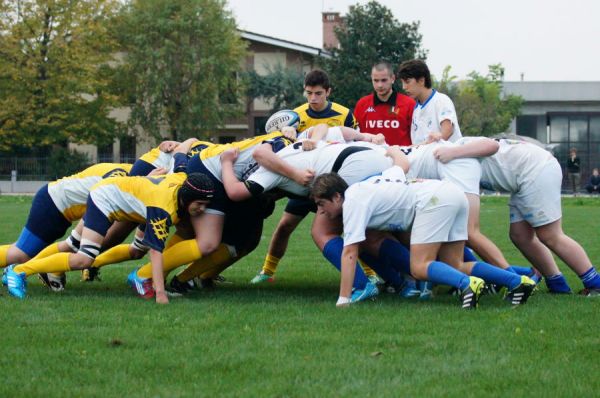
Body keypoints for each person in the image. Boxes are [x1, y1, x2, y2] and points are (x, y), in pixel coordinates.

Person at [310, 148, 535, 309]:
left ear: (337, 196)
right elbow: (401, 165)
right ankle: (517, 282)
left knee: (419, 267)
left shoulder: (353, 203)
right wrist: (392, 151)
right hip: (452, 194)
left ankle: (467, 285)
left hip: (434, 201)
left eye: (322, 204)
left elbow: (350, 253)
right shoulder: (370, 183)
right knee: (455, 264)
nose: (321, 211)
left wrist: (343, 299)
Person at [5, 169, 217, 303]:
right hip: (104, 199)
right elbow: (157, 252)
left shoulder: (181, 178)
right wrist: (160, 293)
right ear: (186, 198)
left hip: (128, 202)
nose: (202, 210)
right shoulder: (162, 210)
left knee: (136, 250)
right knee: (83, 257)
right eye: (199, 204)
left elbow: (180, 160)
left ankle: (134, 276)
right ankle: (19, 270)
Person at [434, 137, 600, 296]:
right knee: (520, 235)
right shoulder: (452, 156)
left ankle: (595, 284)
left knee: (550, 234)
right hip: (524, 176)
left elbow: (491, 144)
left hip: (535, 170)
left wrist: (453, 152)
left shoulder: (457, 148)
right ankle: (557, 283)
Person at [251, 69, 361, 284]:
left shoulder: (345, 114)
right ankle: (267, 272)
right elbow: (284, 146)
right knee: (284, 226)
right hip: (303, 182)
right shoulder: (296, 115)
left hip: (333, 185)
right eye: (309, 93)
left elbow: (354, 143)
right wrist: (287, 133)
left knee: (354, 229)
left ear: (328, 92)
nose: (313, 98)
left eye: (318, 93)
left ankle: (370, 274)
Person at [398, 59, 462, 144]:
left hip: (450, 156)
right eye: (402, 82)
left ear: (421, 80)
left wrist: (419, 147)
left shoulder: (441, 100)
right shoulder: (416, 109)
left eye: (407, 82)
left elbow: (447, 131)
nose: (404, 87)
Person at [353, 61, 415, 146]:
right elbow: (356, 136)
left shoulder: (409, 104)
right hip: (369, 157)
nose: (380, 85)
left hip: (399, 157)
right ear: (371, 79)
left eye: (384, 80)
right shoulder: (362, 104)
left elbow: (417, 137)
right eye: (376, 80)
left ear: (392, 79)